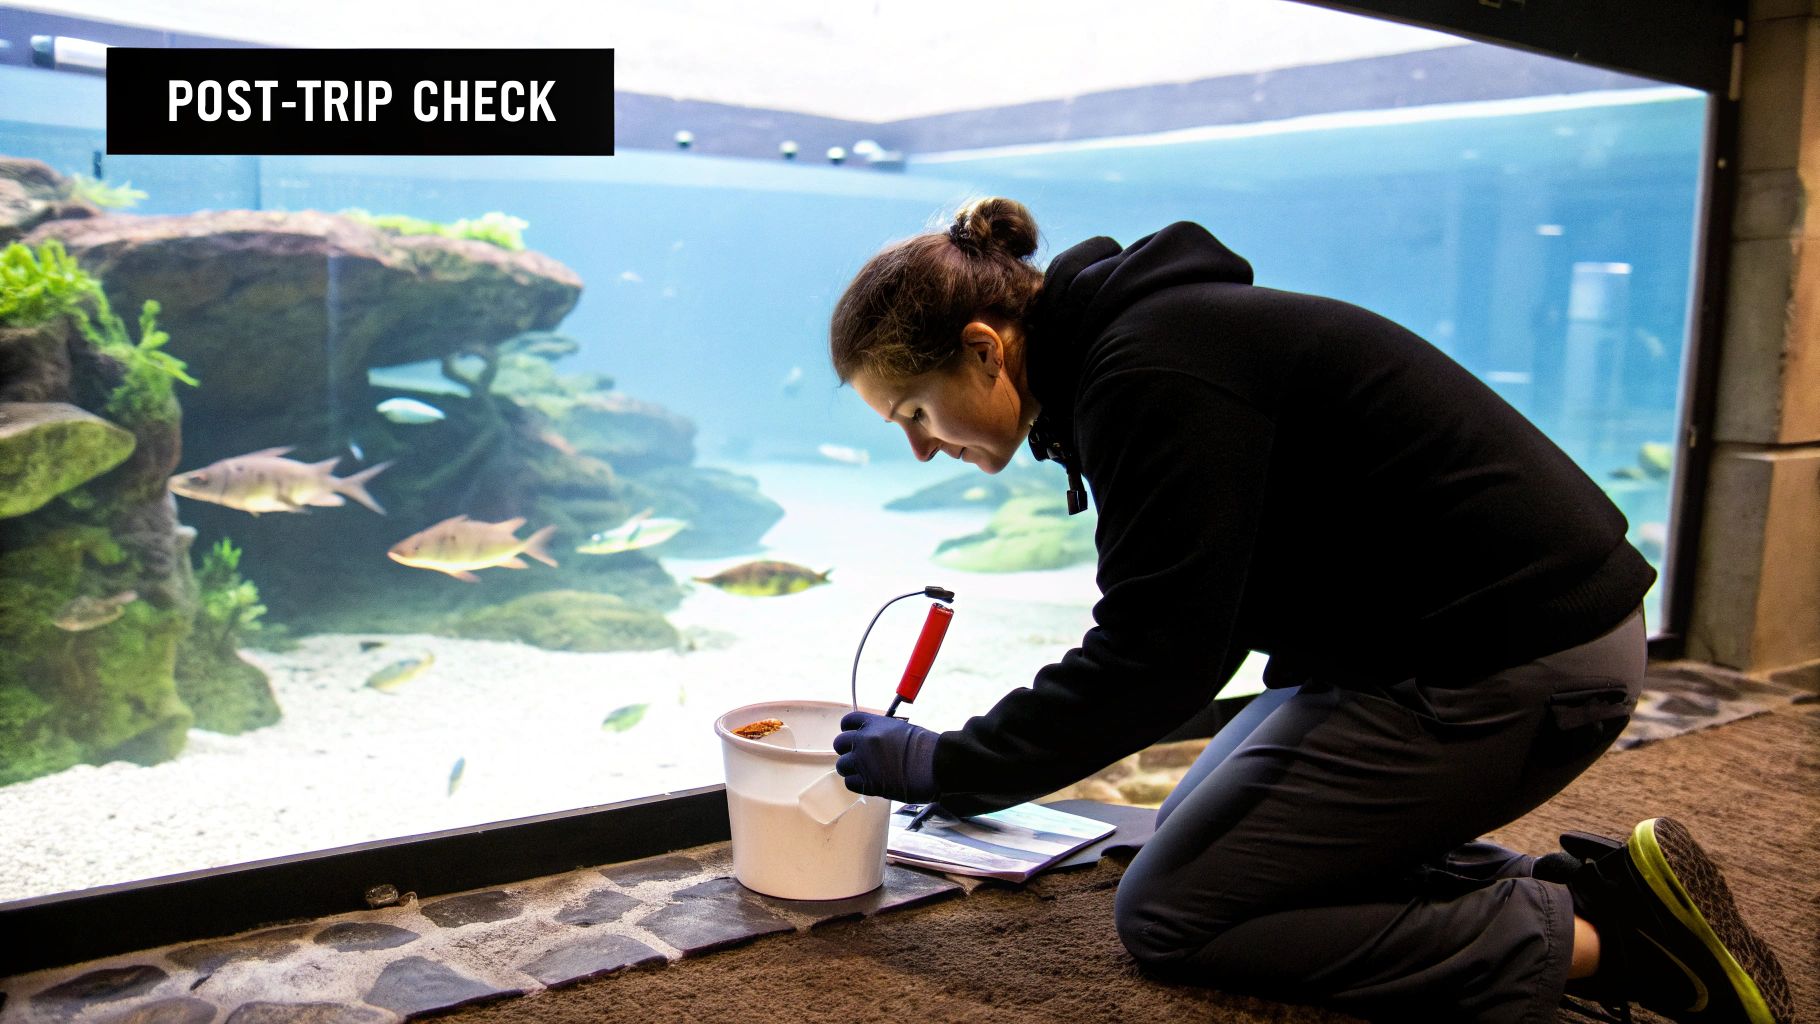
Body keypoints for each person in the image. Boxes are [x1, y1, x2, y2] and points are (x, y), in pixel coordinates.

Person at [826, 197, 1792, 1024]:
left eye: (914, 413)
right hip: (1427, 655)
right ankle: (1576, 888)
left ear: (985, 349)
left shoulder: (1150, 370)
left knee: (1174, 912)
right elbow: (1218, 610)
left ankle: (1611, 944)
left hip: (1519, 664)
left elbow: (1158, 656)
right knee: (1185, 843)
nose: (920, 447)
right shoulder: (1141, 349)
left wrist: (951, 764)